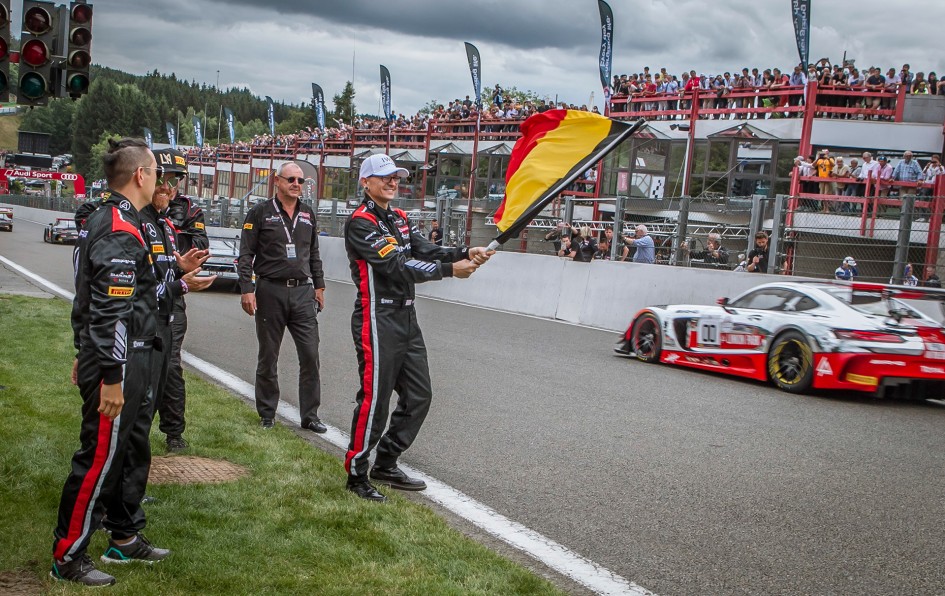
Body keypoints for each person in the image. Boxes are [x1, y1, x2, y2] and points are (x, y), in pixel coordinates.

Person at [52, 138, 169, 587]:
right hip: (119, 363)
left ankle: (123, 536)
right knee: (98, 457)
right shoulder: (120, 226)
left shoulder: (115, 218)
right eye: (156, 170)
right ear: (140, 175)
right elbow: (107, 312)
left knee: (124, 453)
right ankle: (68, 556)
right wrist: (109, 376)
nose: (159, 178)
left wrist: (88, 354)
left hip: (131, 355)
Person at [343, 153, 493, 502]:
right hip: (376, 318)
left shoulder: (399, 216)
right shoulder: (360, 222)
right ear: (366, 183)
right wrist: (450, 271)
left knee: (419, 395)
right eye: (384, 177)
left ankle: (387, 462)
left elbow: (423, 249)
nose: (393, 182)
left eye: (396, 177)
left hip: (407, 318)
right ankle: (356, 475)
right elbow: (396, 266)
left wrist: (465, 250)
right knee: (375, 400)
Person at [238, 162, 327, 433]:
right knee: (269, 355)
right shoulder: (260, 212)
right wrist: (247, 289)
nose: (296, 184)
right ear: (277, 181)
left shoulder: (308, 214)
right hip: (270, 290)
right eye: (291, 179)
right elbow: (245, 255)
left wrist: (319, 286)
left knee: (311, 354)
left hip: (302, 292)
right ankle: (267, 414)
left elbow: (313, 253)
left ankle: (310, 416)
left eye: (300, 181)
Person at [151, 148, 212, 451]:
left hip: (173, 295)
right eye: (166, 177)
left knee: (170, 364)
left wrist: (171, 230)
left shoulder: (189, 208)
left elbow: (199, 245)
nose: (171, 185)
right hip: (143, 293)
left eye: (176, 178)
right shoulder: (138, 210)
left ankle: (174, 432)